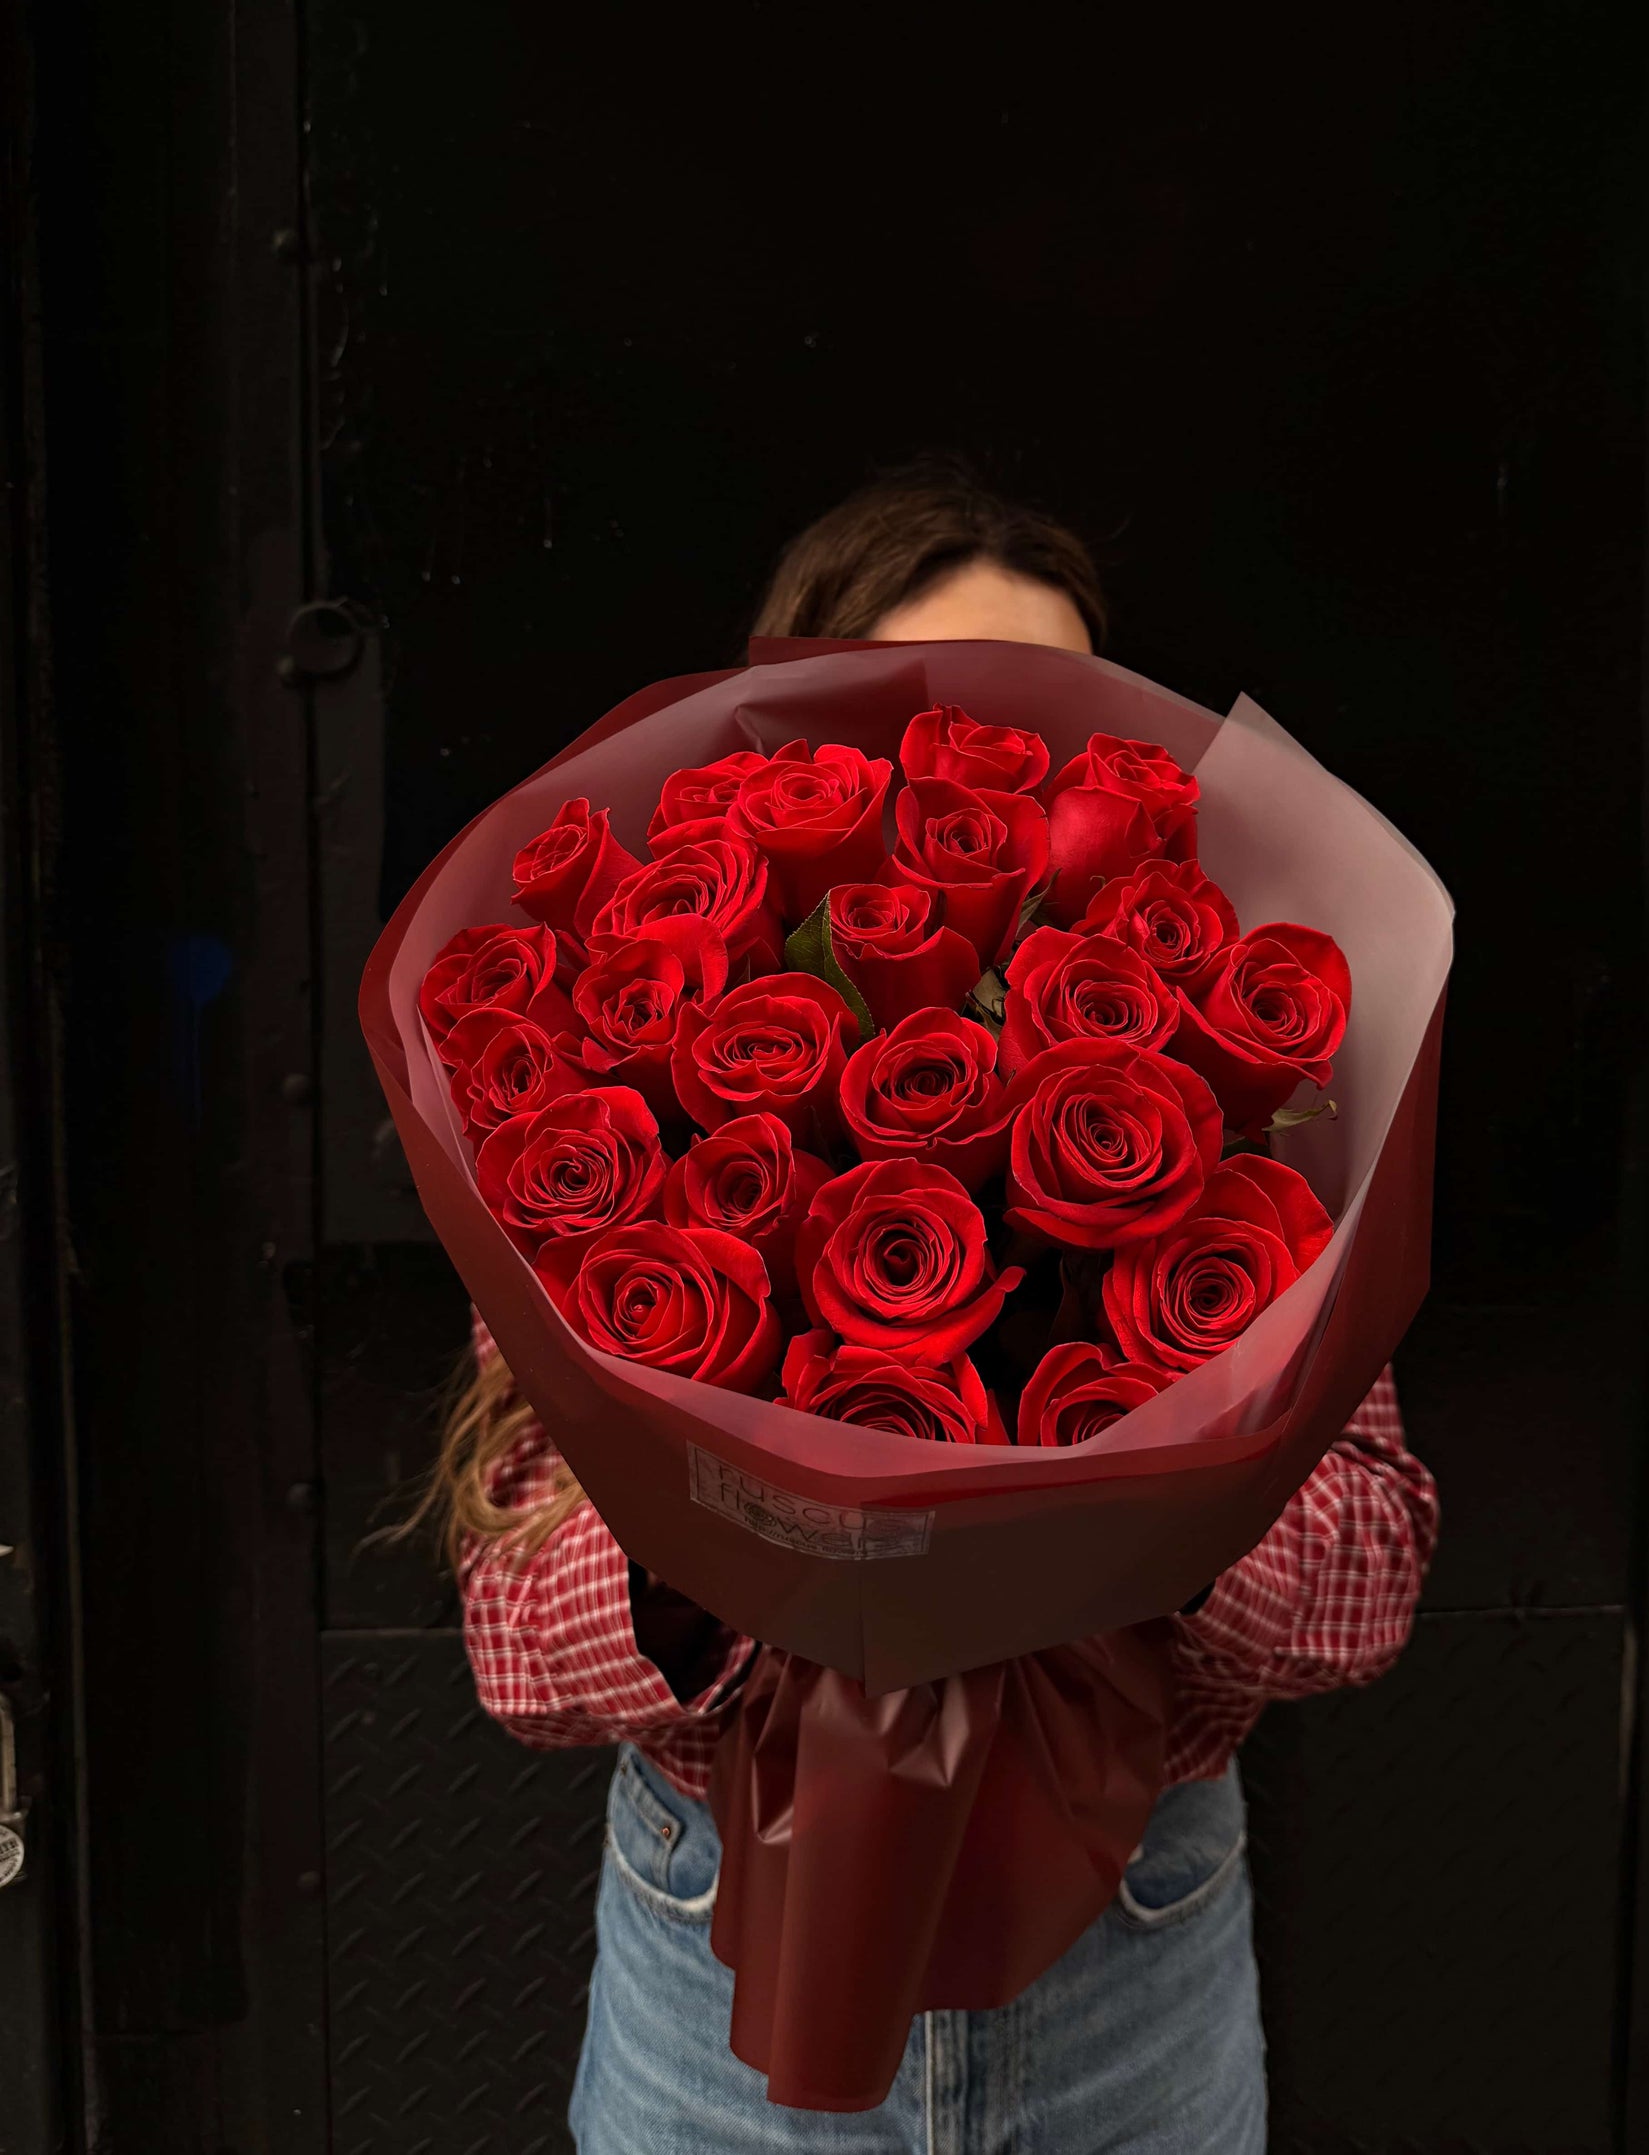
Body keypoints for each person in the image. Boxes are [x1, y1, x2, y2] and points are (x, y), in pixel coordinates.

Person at [430, 462, 1439, 2152]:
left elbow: (1366, 1583)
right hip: (717, 1947)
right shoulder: (609, 1113)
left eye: (1051, 729)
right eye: (926, 723)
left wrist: (1127, 1506)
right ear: (785, 754)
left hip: (1138, 1947)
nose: (996, 781)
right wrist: (768, 1534)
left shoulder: (1260, 1120)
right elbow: (519, 1653)